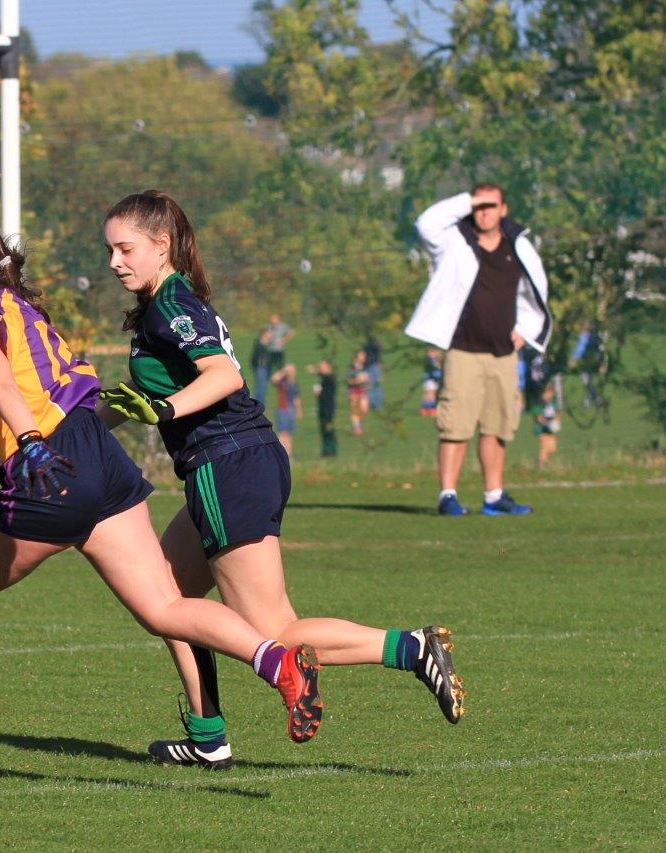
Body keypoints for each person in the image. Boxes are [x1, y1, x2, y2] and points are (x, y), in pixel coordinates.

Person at [0, 213, 325, 747]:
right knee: (165, 607)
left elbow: (0, 385)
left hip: (50, 462)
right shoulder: (27, 311)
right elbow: (83, 390)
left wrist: (33, 442)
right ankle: (276, 663)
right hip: (101, 455)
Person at [97, 191, 464, 771]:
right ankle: (207, 736)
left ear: (161, 246)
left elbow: (220, 377)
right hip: (239, 461)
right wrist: (84, 421)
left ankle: (411, 648)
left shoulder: (172, 305)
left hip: (228, 465)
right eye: (110, 249)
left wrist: (164, 413)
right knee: (166, 597)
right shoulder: (162, 306)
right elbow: (150, 392)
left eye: (125, 248)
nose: (115, 261)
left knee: (272, 627)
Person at [406, 183, 552, 516]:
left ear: (504, 209)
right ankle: (448, 495)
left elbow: (535, 291)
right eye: (479, 205)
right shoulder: (454, 242)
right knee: (455, 426)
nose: (484, 211)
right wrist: (466, 201)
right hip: (463, 350)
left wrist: (526, 332)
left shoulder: (518, 247)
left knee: (498, 427)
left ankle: (493, 496)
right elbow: (425, 223)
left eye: (491, 205)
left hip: (503, 353)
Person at [272, 364, 302, 459]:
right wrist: (283, 371)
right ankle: (283, 453)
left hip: (291, 410)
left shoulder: (295, 384)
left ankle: (289, 454)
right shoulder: (282, 382)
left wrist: (299, 410)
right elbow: (273, 379)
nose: (291, 373)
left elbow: (296, 399)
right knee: (282, 433)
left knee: (288, 434)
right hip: (283, 409)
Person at [309, 359, 337, 457]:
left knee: (328, 429)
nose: (320, 368)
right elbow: (322, 375)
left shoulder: (330, 378)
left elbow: (325, 377)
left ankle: (330, 450)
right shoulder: (326, 377)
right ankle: (326, 450)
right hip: (323, 408)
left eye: (322, 366)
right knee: (323, 430)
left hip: (328, 409)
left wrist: (319, 393)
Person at [535, 383, 560, 468]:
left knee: (552, 448)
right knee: (545, 446)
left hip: (550, 430)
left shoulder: (552, 403)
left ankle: (541, 462)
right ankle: (541, 464)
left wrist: (556, 421)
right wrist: (545, 423)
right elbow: (538, 417)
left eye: (551, 394)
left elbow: (557, 413)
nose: (549, 396)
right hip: (542, 429)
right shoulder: (540, 403)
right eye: (547, 393)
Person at [346, 349, 371, 435]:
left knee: (364, 408)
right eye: (362, 355)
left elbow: (367, 379)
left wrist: (367, 381)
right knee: (355, 410)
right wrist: (358, 380)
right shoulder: (352, 368)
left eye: (364, 355)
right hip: (353, 391)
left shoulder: (365, 367)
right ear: (357, 357)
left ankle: (358, 424)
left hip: (363, 391)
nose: (364, 357)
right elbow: (349, 381)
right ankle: (356, 427)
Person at [248, 329, 272, 405]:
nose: (270, 335)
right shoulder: (259, 345)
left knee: (263, 388)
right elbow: (254, 358)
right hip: (261, 369)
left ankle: (260, 405)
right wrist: (256, 367)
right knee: (260, 389)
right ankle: (259, 405)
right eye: (268, 334)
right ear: (264, 335)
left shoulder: (265, 345)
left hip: (265, 369)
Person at [420, 348, 443, 417]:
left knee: (430, 394)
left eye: (433, 352)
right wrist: (438, 366)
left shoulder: (434, 360)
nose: (432, 353)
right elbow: (433, 367)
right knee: (430, 394)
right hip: (430, 379)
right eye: (430, 352)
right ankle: (429, 408)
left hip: (434, 379)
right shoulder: (429, 361)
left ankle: (426, 408)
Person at [362, 335, 383, 410]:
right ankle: (374, 403)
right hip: (372, 366)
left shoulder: (366, 347)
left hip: (371, 366)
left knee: (372, 386)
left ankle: (375, 403)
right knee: (374, 386)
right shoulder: (372, 346)